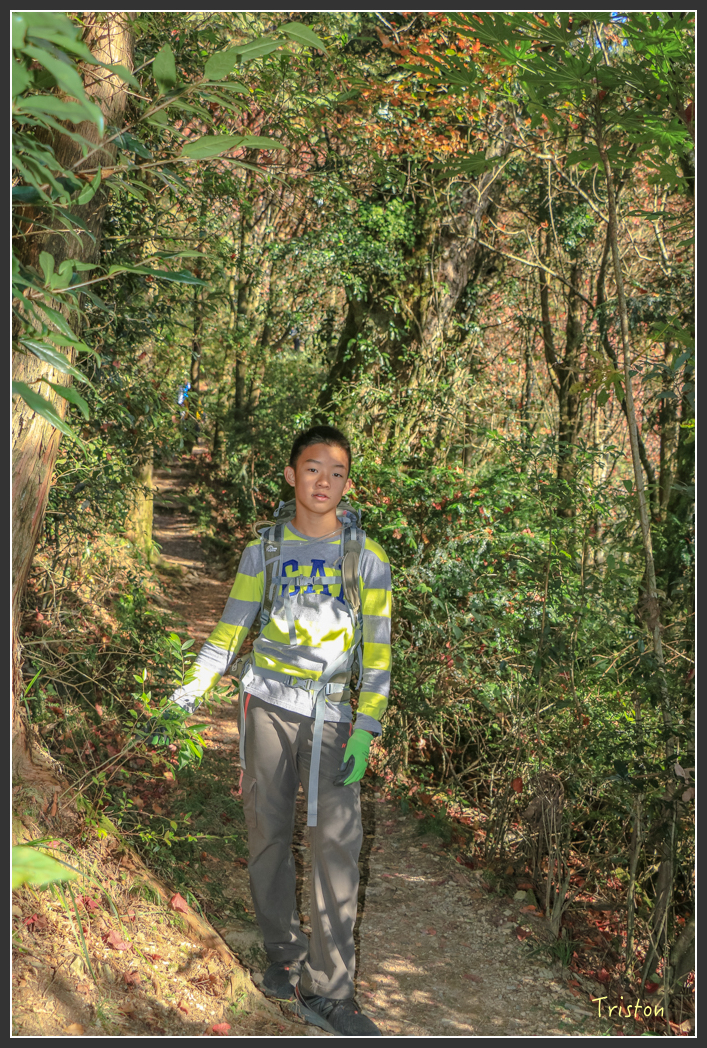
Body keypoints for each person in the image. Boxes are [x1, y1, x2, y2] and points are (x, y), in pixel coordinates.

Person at [166, 424, 391, 1036]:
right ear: (292, 475)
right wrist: (193, 686)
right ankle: (282, 957)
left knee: (337, 844)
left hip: (333, 715)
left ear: (348, 483)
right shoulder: (264, 550)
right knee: (267, 829)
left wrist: (366, 726)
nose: (325, 481)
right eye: (314, 468)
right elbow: (232, 628)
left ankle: (331, 991)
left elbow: (378, 651)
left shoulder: (366, 560)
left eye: (338, 472)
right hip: (265, 705)